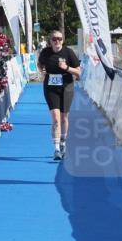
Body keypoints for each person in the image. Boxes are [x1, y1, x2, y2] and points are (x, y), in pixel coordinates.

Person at [38, 30, 81, 160]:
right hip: (50, 87)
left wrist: (66, 68)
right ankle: (56, 149)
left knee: (64, 117)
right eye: (54, 39)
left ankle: (63, 142)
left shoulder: (68, 53)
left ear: (63, 40)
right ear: (50, 41)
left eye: (60, 39)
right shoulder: (45, 52)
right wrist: (42, 71)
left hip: (66, 86)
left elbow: (79, 73)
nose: (57, 41)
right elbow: (40, 63)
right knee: (56, 118)